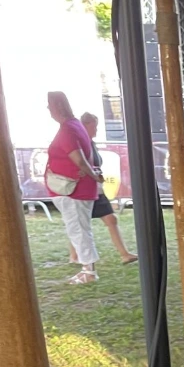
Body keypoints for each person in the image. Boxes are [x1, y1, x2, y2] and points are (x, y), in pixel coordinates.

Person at [45, 91, 100, 285]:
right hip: (76, 189)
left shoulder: (67, 129)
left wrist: (93, 175)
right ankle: (87, 268)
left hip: (74, 190)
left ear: (57, 107)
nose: (48, 109)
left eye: (50, 105)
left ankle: (89, 271)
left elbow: (79, 159)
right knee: (79, 228)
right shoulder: (74, 125)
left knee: (78, 229)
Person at [75, 112, 137, 265]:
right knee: (81, 223)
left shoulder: (91, 143)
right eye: (94, 127)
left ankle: (124, 254)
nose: (96, 130)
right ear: (84, 126)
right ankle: (75, 255)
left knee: (109, 219)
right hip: (84, 188)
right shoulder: (79, 143)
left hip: (95, 187)